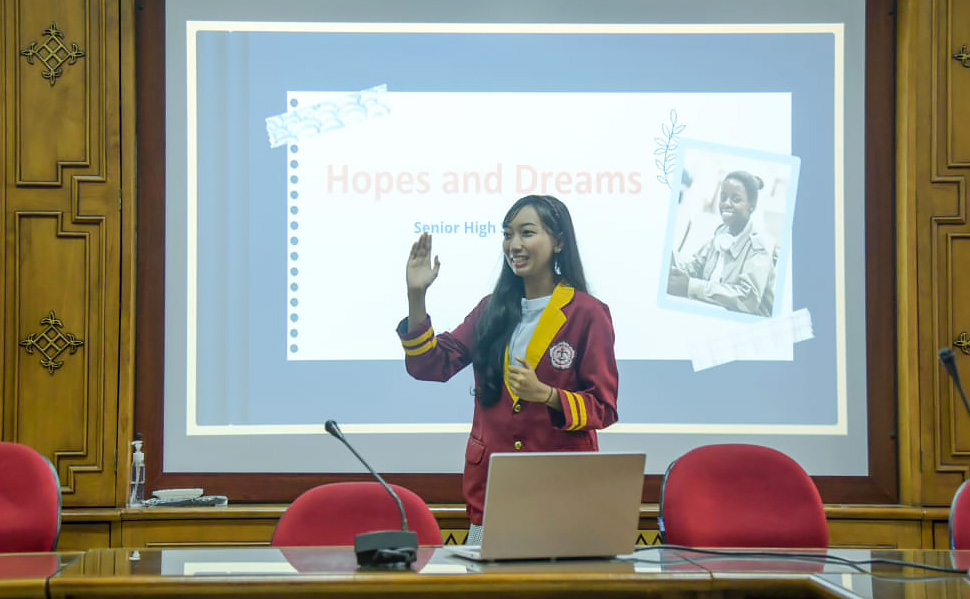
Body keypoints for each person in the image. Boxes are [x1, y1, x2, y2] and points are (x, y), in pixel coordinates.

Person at [397, 195, 619, 543]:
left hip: (562, 498)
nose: (514, 245)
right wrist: (416, 296)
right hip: (492, 500)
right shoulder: (490, 310)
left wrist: (546, 395)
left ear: (559, 242)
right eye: (507, 234)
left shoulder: (587, 313)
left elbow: (603, 408)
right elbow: (430, 365)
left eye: (527, 233)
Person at [666, 170, 776, 316]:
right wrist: (670, 263)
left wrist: (691, 286)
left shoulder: (759, 250)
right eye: (723, 197)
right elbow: (696, 267)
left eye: (735, 199)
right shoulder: (720, 235)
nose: (726, 204)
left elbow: (747, 298)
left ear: (751, 206)